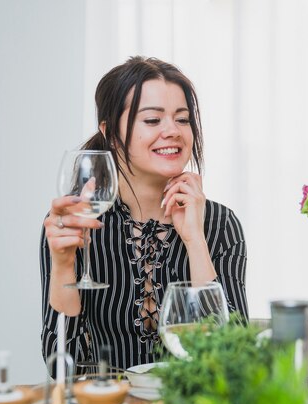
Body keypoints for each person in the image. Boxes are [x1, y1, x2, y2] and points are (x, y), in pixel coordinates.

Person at [40, 56, 249, 375]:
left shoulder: (221, 224)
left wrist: (195, 242)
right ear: (110, 133)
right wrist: (64, 264)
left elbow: (233, 361)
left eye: (182, 119)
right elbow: (62, 367)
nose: (173, 132)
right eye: (152, 120)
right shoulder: (74, 222)